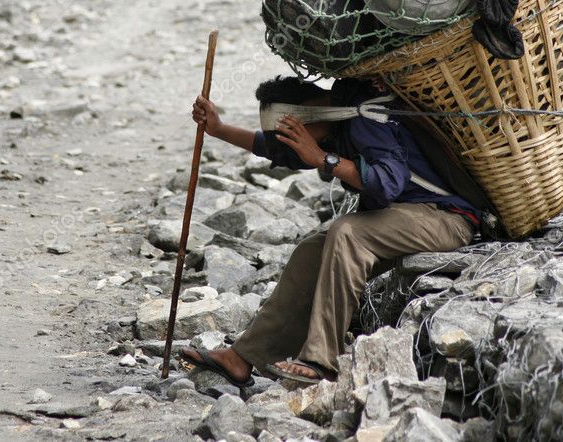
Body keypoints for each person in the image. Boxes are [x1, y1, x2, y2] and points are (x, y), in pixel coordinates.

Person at [179, 76, 481, 385]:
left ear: (306, 115)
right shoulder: (335, 124)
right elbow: (275, 149)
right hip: (404, 219)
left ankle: (321, 360)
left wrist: (323, 159)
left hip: (446, 219)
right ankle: (243, 358)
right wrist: (218, 129)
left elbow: (388, 181)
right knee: (312, 251)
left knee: (347, 231)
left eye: (289, 133)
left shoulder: (365, 117)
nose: (287, 143)